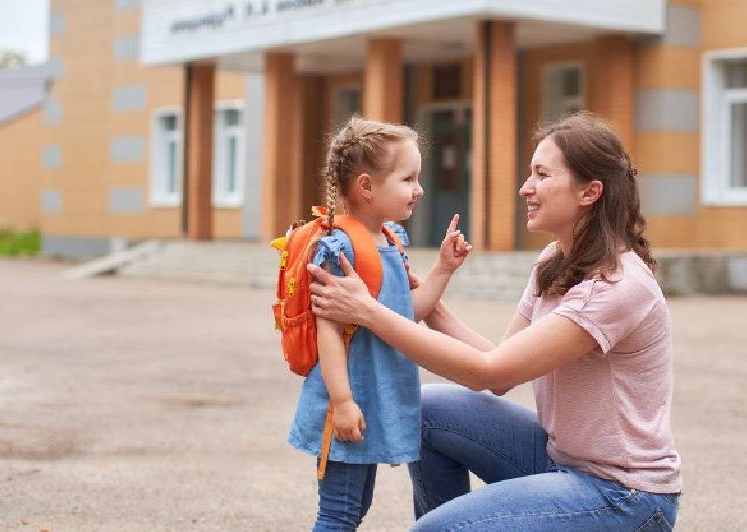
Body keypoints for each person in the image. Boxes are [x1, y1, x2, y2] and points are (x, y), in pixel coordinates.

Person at [307, 113, 682, 530]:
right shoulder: (554, 262)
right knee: (425, 409)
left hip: (622, 495)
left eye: (541, 174)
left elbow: (488, 371)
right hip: (560, 460)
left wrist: (368, 312)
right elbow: (501, 368)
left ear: (589, 192)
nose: (526, 188)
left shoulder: (618, 285)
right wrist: (427, 302)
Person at [288, 116, 473, 531]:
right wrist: (342, 402)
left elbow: (406, 315)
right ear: (367, 186)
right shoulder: (339, 248)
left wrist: (443, 269)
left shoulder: (390, 240)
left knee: (352, 507)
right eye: (408, 178)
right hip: (350, 399)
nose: (419, 189)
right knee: (340, 512)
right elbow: (329, 332)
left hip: (370, 398)